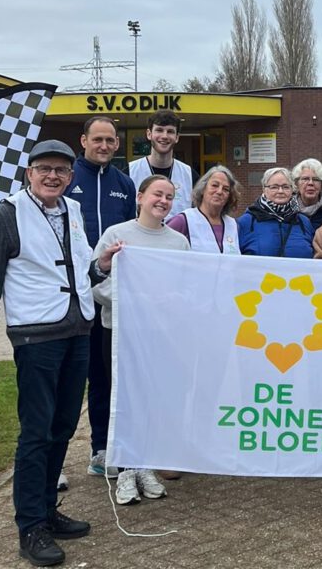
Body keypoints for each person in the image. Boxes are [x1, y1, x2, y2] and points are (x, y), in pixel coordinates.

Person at [0, 140, 119, 566]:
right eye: (44, 169)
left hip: (77, 330)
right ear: (29, 173)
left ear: (70, 176)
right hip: (36, 337)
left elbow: (76, 266)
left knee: (64, 426)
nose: (53, 176)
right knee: (36, 432)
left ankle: (48, 509)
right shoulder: (5, 214)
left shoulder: (72, 209)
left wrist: (100, 265)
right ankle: (30, 525)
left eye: (61, 170)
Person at [91, 174, 190, 505]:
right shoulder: (116, 234)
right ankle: (124, 469)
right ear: (140, 197)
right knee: (122, 398)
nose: (163, 201)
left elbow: (185, 286)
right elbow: (98, 283)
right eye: (157, 194)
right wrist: (135, 303)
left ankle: (144, 464)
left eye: (169, 197)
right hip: (120, 331)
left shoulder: (178, 242)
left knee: (151, 397)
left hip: (159, 335)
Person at [65, 116, 136, 485]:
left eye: (110, 140)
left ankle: (101, 448)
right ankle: (54, 460)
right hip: (70, 294)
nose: (104, 146)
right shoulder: (67, 177)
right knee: (68, 377)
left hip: (108, 296)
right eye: (98, 139)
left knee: (105, 376)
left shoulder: (124, 184)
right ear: (84, 141)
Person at [128, 109, 193, 221]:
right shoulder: (129, 172)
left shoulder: (190, 175)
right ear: (149, 134)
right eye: (159, 130)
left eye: (170, 131)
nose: (164, 136)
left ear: (177, 137)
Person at [238, 167, 314, 258]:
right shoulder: (246, 222)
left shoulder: (304, 222)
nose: (280, 191)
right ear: (264, 189)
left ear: (292, 189)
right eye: (274, 187)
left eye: (285, 187)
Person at [167, 165, 241, 254]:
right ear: (203, 189)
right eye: (214, 185)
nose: (219, 191)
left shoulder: (233, 225)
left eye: (226, 189)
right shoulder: (183, 221)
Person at [292, 158, 322, 232]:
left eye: (316, 179)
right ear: (296, 183)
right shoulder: (287, 211)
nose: (310, 183)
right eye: (305, 179)